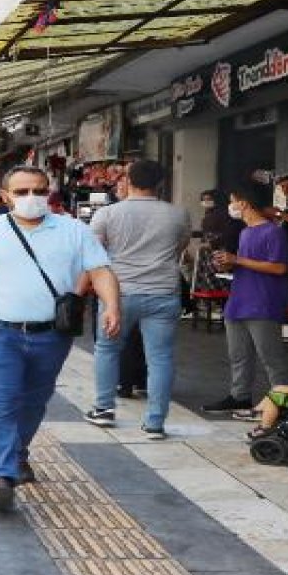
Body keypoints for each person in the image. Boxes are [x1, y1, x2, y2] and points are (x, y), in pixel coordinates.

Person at [0, 166, 121, 511]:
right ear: (5, 196)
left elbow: (100, 271)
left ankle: (16, 453)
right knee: (0, 403)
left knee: (33, 402)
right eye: (23, 191)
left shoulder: (74, 230)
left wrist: (112, 306)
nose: (32, 198)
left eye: (39, 191)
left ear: (50, 193)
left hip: (50, 336)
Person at [84, 160, 191, 440]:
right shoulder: (178, 214)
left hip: (117, 295)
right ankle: (155, 422)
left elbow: (94, 255)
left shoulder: (107, 214)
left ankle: (104, 409)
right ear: (160, 183)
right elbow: (178, 248)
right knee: (160, 358)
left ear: (128, 180)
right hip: (163, 293)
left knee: (107, 349)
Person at [201, 188, 288, 418]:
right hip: (240, 298)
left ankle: (283, 401)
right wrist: (228, 264)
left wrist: (237, 260)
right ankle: (239, 396)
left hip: (263, 301)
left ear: (244, 203)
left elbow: (279, 267)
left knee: (271, 356)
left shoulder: (273, 232)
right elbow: (248, 263)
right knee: (238, 354)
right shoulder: (245, 233)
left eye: (233, 202)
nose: (230, 207)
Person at [199, 189, 243, 253]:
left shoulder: (222, 213)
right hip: (214, 248)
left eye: (209, 199)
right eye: (203, 200)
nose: (206, 202)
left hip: (223, 249)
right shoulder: (207, 215)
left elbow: (227, 233)